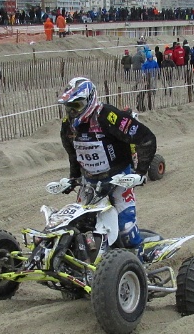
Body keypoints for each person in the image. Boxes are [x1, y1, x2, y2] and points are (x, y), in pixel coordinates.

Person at [57, 78, 157, 256]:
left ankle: (139, 268)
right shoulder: (68, 125)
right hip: (90, 182)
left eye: (76, 106)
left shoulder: (108, 116)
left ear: (89, 100)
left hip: (119, 178)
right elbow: (73, 152)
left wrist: (141, 172)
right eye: (69, 107)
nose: (72, 112)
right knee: (78, 226)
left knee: (125, 228)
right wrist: (73, 178)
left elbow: (146, 138)